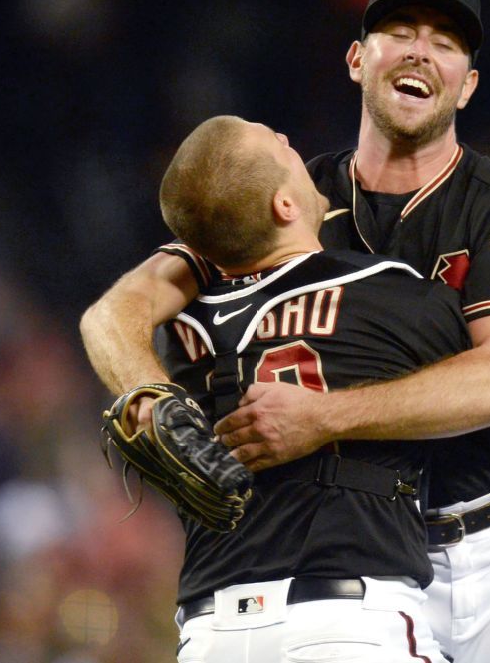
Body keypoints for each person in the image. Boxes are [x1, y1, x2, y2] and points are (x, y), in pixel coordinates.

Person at [80, 0, 490, 662]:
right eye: (400, 32)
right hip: (369, 561)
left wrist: (325, 416)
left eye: (445, 42)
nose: (420, 50)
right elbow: (116, 312)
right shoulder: (284, 194)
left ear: (467, 84)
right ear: (357, 59)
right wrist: (149, 391)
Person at [145, 114, 464, 662]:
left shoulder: (178, 333)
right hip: (346, 623)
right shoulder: (384, 293)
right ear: (284, 207)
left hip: (211, 634)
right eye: (278, 144)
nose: (291, 139)